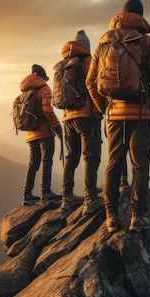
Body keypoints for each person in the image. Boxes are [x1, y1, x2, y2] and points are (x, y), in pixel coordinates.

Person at [86, 0, 150, 233]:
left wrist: (104, 107)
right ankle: (136, 217)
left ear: (120, 16)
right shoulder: (148, 42)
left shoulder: (104, 42)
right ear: (141, 17)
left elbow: (90, 81)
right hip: (142, 115)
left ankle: (111, 216)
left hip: (114, 114)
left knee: (113, 164)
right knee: (140, 166)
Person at [58, 30, 104, 215]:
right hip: (87, 115)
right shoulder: (87, 61)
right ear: (87, 46)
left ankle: (66, 197)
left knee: (71, 157)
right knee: (91, 156)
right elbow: (96, 85)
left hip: (67, 117)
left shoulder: (63, 64)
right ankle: (91, 198)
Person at [21, 64, 63, 205]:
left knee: (33, 163)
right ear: (41, 76)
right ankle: (46, 192)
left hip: (31, 133)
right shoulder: (44, 89)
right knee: (47, 161)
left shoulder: (26, 91)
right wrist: (57, 126)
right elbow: (47, 110)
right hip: (44, 132)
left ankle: (27, 194)